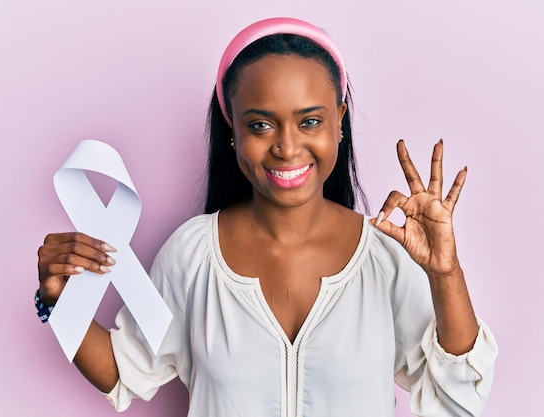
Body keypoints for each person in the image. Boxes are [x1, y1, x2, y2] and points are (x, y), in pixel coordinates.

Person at [36, 17, 497, 417]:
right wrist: (61, 301)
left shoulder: (385, 257)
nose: (287, 146)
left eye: (310, 121)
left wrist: (445, 273)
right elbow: (124, 369)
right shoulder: (192, 255)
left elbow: (457, 397)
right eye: (260, 124)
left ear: (339, 121)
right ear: (232, 129)